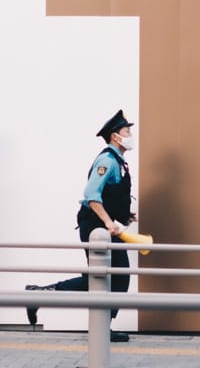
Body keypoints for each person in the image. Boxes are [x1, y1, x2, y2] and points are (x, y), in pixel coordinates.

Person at [25, 109, 135, 343]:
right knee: (107, 277)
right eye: (127, 131)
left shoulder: (119, 161)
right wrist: (108, 221)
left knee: (111, 276)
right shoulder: (107, 160)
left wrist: (123, 215)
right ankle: (44, 296)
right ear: (115, 136)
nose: (131, 134)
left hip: (104, 227)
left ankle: (41, 295)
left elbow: (109, 196)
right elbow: (91, 194)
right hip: (96, 227)